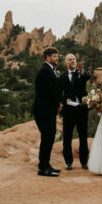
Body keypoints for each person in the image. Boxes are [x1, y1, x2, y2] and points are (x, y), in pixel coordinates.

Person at [33, 47, 62, 177]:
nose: (57, 58)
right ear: (48, 57)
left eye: (57, 56)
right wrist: (57, 104)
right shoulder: (45, 71)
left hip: (48, 110)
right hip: (43, 110)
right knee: (47, 138)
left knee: (49, 138)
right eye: (55, 56)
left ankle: (46, 165)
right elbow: (49, 92)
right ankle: (43, 168)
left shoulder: (51, 70)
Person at [60, 53, 91, 170]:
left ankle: (84, 162)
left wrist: (82, 70)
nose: (72, 60)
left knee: (83, 137)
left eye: (73, 59)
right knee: (67, 137)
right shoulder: (62, 77)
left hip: (82, 110)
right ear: (66, 62)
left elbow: (88, 76)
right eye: (69, 59)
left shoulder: (81, 74)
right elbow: (59, 93)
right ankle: (68, 162)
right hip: (68, 111)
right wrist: (64, 99)